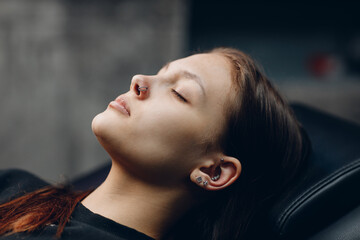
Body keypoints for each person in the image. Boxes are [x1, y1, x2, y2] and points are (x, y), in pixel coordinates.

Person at [0, 47, 310, 240]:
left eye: (180, 93)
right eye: (162, 73)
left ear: (215, 171)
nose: (139, 80)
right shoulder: (17, 187)